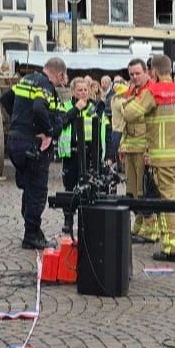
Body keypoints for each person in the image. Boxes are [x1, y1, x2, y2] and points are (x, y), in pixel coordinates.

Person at [123, 54, 175, 262]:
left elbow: (130, 114)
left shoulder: (153, 92)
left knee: (167, 203)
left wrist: (130, 101)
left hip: (161, 160)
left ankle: (174, 248)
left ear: (154, 72)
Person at [2, 57, 67, 249]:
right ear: (60, 73)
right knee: (38, 191)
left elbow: (6, 99)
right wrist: (47, 132)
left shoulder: (27, 79)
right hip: (32, 144)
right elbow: (39, 107)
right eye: (63, 77)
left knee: (29, 187)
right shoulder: (45, 84)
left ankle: (32, 230)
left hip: (15, 141)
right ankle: (31, 235)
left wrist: (19, 119)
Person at [114, 58, 159, 244]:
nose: (134, 77)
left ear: (146, 72)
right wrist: (122, 145)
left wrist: (150, 151)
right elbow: (124, 122)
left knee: (144, 189)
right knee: (132, 190)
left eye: (137, 73)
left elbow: (151, 125)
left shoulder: (151, 90)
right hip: (131, 147)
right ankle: (139, 224)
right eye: (131, 74)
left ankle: (151, 229)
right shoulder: (132, 90)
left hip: (144, 148)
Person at [57, 77, 110, 234]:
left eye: (85, 90)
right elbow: (60, 123)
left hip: (90, 152)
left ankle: (88, 220)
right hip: (72, 153)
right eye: (79, 90)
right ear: (73, 92)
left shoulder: (95, 107)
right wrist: (76, 109)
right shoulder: (65, 106)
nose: (83, 93)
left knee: (90, 187)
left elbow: (105, 128)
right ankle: (68, 218)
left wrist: (106, 154)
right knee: (70, 187)